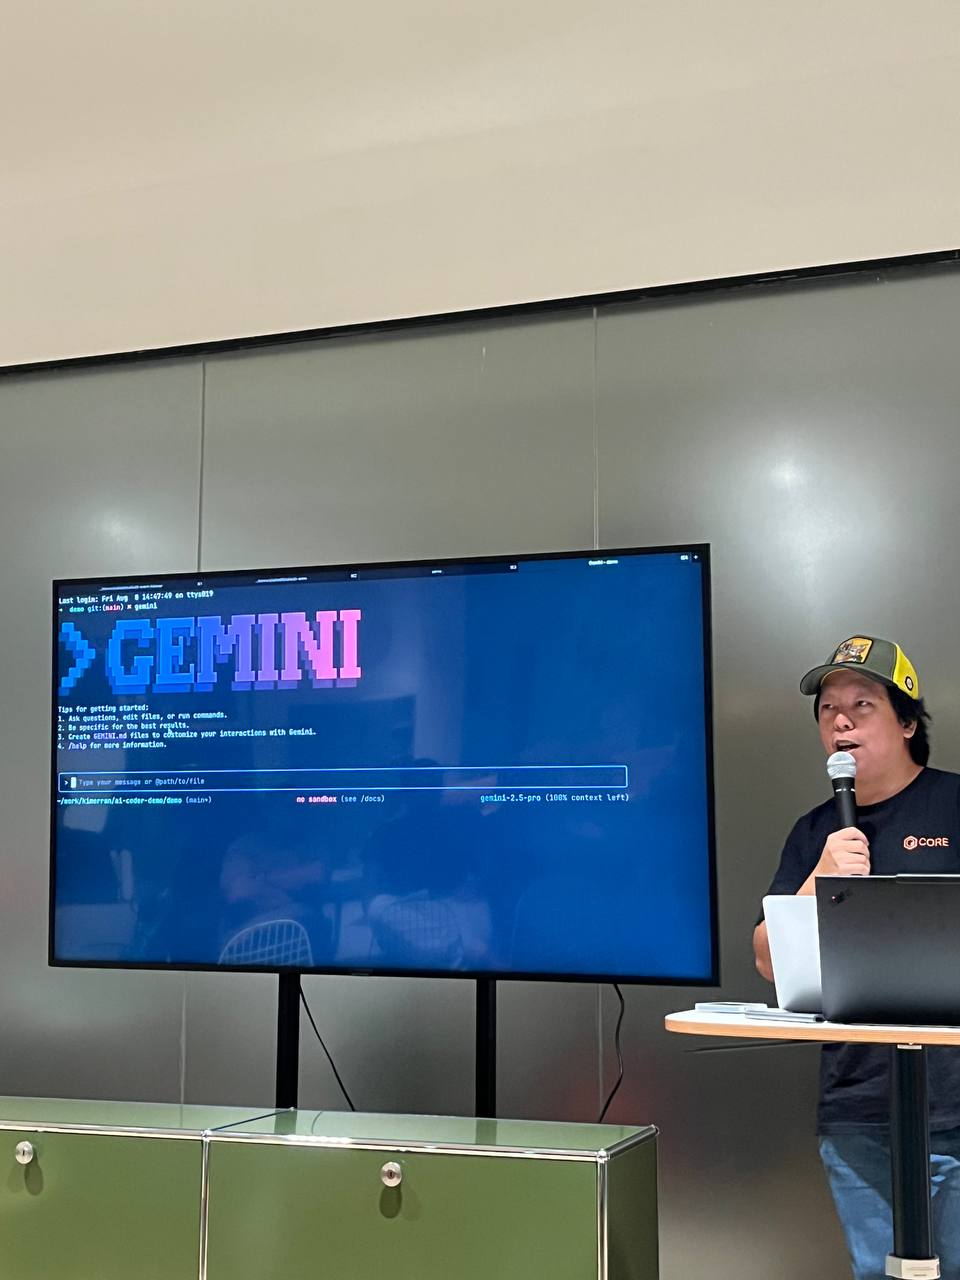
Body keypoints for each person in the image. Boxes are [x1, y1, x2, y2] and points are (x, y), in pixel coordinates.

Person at [753, 635, 960, 1280]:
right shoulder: (814, 830)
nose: (840, 722)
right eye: (828, 710)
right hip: (857, 1106)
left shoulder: (953, 804)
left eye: (861, 705)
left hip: (955, 1099)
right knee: (878, 1272)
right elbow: (767, 959)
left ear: (907, 722)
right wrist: (822, 874)